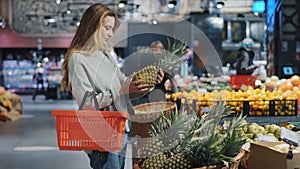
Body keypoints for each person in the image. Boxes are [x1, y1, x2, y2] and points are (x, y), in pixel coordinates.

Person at [60, 4, 163, 169]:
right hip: (101, 134)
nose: (110, 34)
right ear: (92, 27)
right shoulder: (78, 59)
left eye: (111, 28)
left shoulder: (105, 55)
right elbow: (87, 103)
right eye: (107, 28)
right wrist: (120, 90)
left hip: (120, 128)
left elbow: (123, 85)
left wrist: (148, 82)